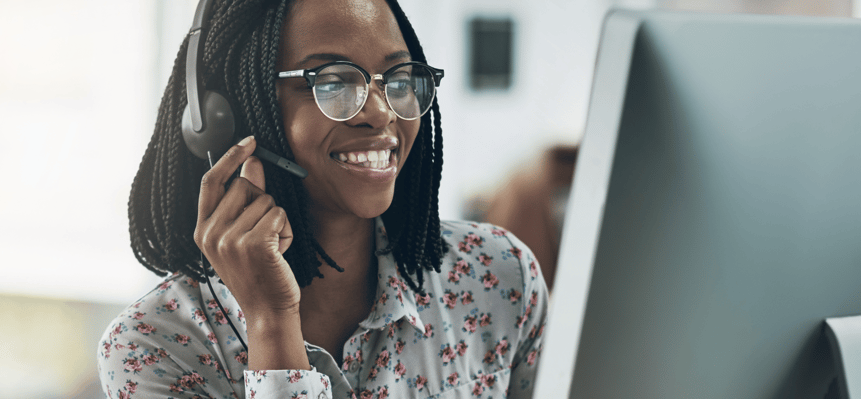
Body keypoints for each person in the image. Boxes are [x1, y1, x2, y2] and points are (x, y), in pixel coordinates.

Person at [98, 0, 548, 397]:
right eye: (332, 82)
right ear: (223, 115)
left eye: (397, 77)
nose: (380, 112)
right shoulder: (154, 349)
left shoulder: (497, 278)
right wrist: (272, 322)